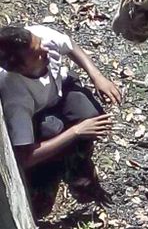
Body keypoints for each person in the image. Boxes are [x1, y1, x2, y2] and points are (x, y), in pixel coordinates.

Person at [0, 24, 122, 218]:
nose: (45, 49)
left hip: (60, 91)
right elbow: (24, 157)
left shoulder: (41, 38)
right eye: (36, 55)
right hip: (38, 115)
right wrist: (76, 131)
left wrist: (97, 76)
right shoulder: (15, 96)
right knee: (52, 130)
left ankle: (79, 164)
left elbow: (70, 45)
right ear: (20, 69)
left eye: (40, 43)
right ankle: (58, 166)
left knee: (92, 115)